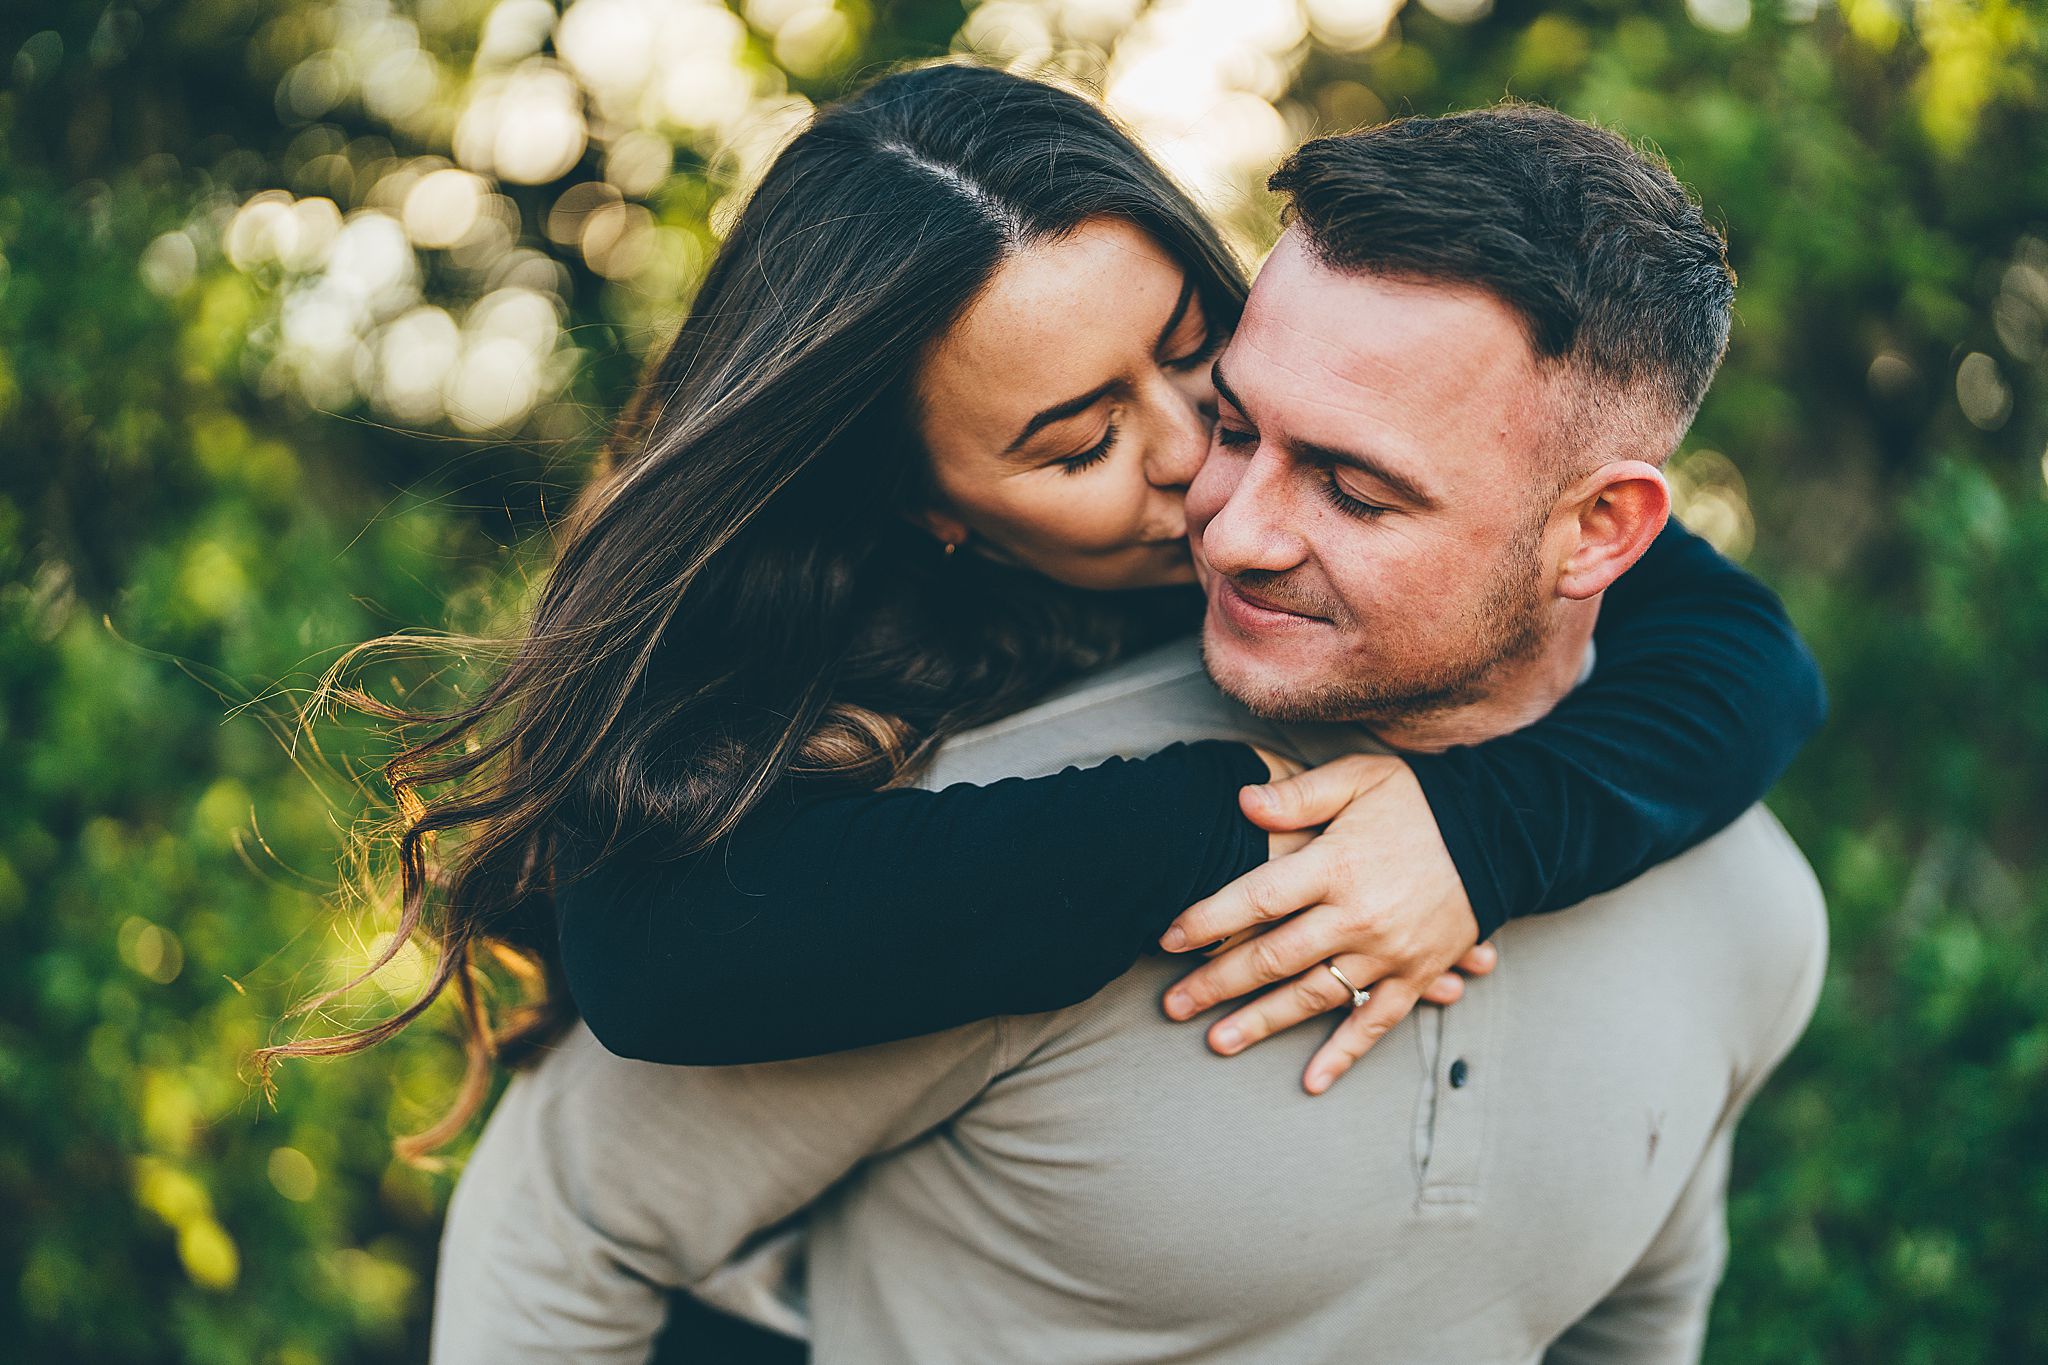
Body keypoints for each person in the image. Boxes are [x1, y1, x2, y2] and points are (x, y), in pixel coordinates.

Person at [428, 87, 1826, 1364]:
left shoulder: (1735, 884)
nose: (1212, 490)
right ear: (930, 505)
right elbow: (651, 987)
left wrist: (1485, 828)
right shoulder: (891, 777)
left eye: (1205, 377)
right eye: (1080, 444)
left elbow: (1746, 651)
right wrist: (1187, 824)